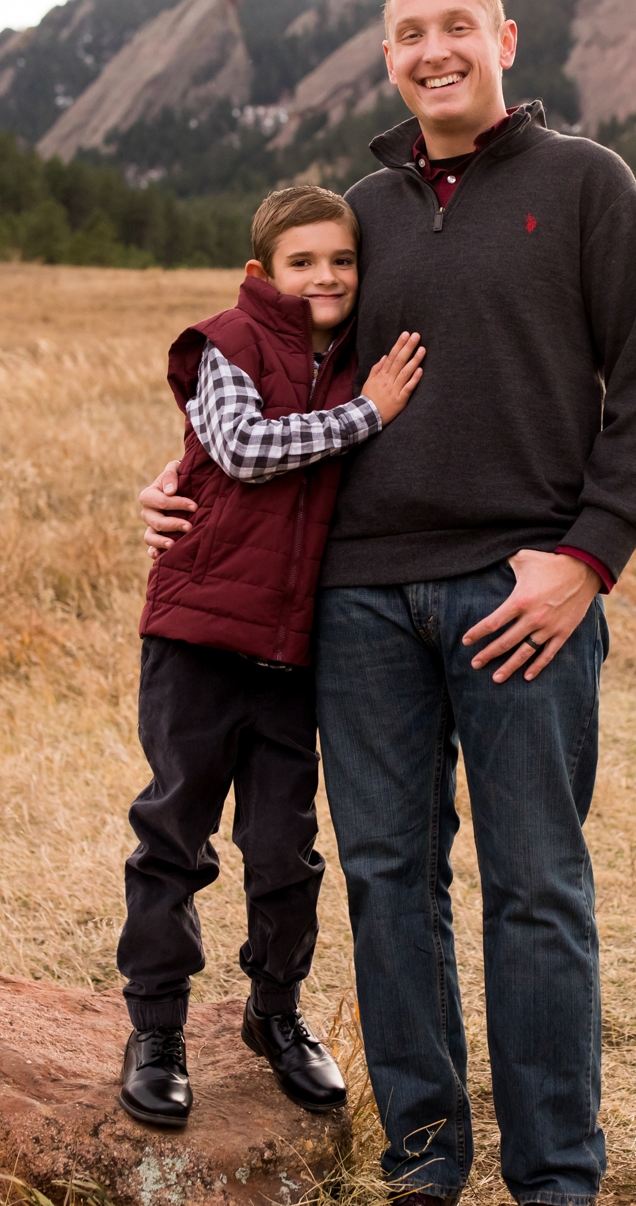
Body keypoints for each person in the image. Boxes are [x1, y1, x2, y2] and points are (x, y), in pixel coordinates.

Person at [139, 0, 636, 1206]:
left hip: (522, 597)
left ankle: (556, 1189)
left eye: (456, 25)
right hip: (360, 605)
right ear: (388, 59)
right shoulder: (365, 213)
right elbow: (272, 379)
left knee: (536, 886)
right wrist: (176, 487)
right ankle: (422, 1172)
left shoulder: (589, 184)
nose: (433, 49)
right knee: (389, 883)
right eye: (407, 34)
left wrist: (585, 563)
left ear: (502, 37)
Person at [117, 186, 425, 1131]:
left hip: (293, 652)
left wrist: (365, 398)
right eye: (303, 261)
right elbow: (244, 450)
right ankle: (158, 1028)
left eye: (341, 260)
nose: (325, 276)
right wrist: (371, 412)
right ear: (262, 273)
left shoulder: (352, 364)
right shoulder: (226, 344)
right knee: (175, 834)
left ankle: (276, 1012)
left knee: (285, 850)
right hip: (200, 637)